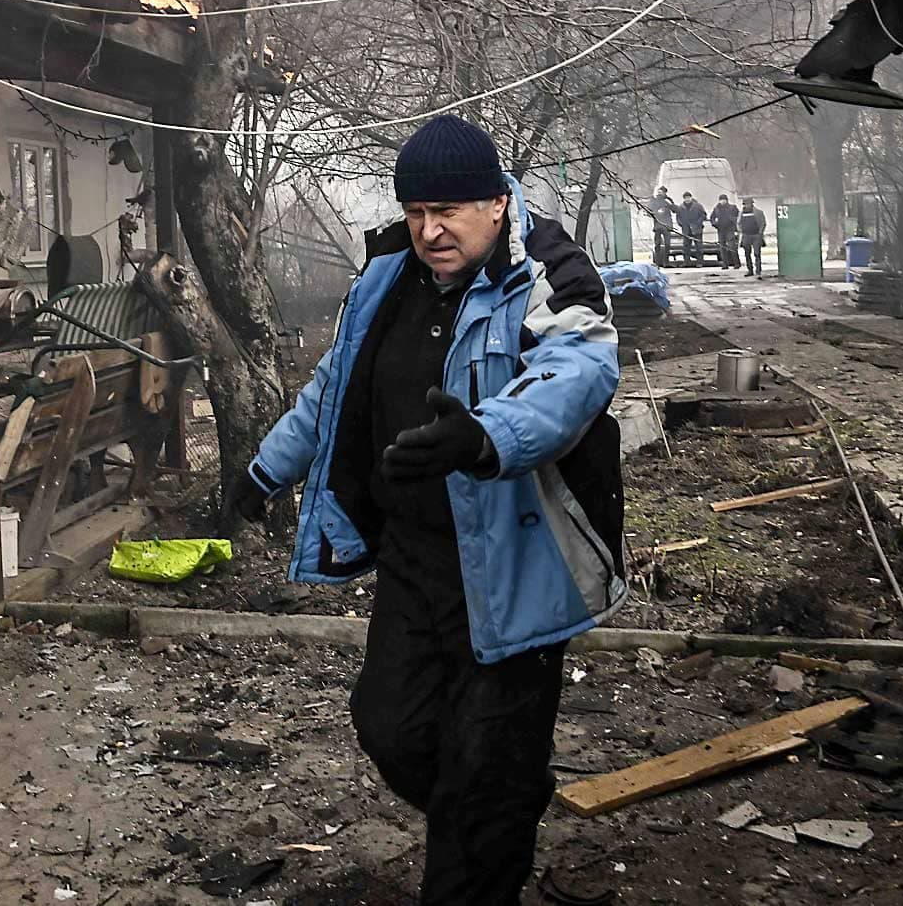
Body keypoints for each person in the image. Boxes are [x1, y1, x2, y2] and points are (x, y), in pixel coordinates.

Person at [227, 115, 625, 906]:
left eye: (447, 212)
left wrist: (484, 434)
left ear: (497, 202)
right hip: (414, 561)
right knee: (391, 727)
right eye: (415, 213)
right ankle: (499, 803)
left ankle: (488, 830)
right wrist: (265, 469)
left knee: (483, 784)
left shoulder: (547, 270)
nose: (429, 230)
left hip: (518, 563)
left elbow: (578, 371)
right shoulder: (382, 280)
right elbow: (332, 393)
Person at [645, 185, 677, 265]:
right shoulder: (654, 200)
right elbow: (648, 211)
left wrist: (671, 204)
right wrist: (657, 212)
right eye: (659, 192)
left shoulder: (667, 200)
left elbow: (675, 210)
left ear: (665, 193)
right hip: (658, 224)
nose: (660, 193)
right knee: (657, 244)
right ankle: (658, 261)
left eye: (661, 192)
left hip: (666, 225)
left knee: (667, 244)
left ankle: (666, 261)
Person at [710, 194, 740, 268]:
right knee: (722, 247)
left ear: (727, 200)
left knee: (732, 246)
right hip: (721, 229)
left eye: (724, 199)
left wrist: (733, 222)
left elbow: (738, 216)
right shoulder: (716, 208)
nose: (722, 201)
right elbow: (712, 218)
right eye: (721, 200)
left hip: (730, 229)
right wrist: (715, 224)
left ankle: (736, 263)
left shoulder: (732, 207)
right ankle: (725, 264)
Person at [739, 197, 767, 277]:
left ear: (752, 204)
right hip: (746, 235)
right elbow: (739, 223)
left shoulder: (758, 212)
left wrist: (760, 233)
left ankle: (758, 271)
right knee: (747, 254)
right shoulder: (741, 213)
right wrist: (741, 231)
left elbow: (763, 223)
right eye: (744, 204)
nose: (746, 205)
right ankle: (750, 270)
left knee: (757, 253)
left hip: (756, 235)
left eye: (747, 204)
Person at [677, 191, 708, 263]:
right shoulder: (681, 207)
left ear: (691, 198)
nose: (687, 199)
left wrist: (698, 223)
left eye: (688, 197)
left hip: (697, 229)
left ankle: (700, 262)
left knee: (699, 247)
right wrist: (681, 224)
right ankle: (686, 261)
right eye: (685, 198)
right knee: (686, 247)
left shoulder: (698, 206)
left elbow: (703, 215)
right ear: (683, 199)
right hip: (686, 230)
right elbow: (678, 217)